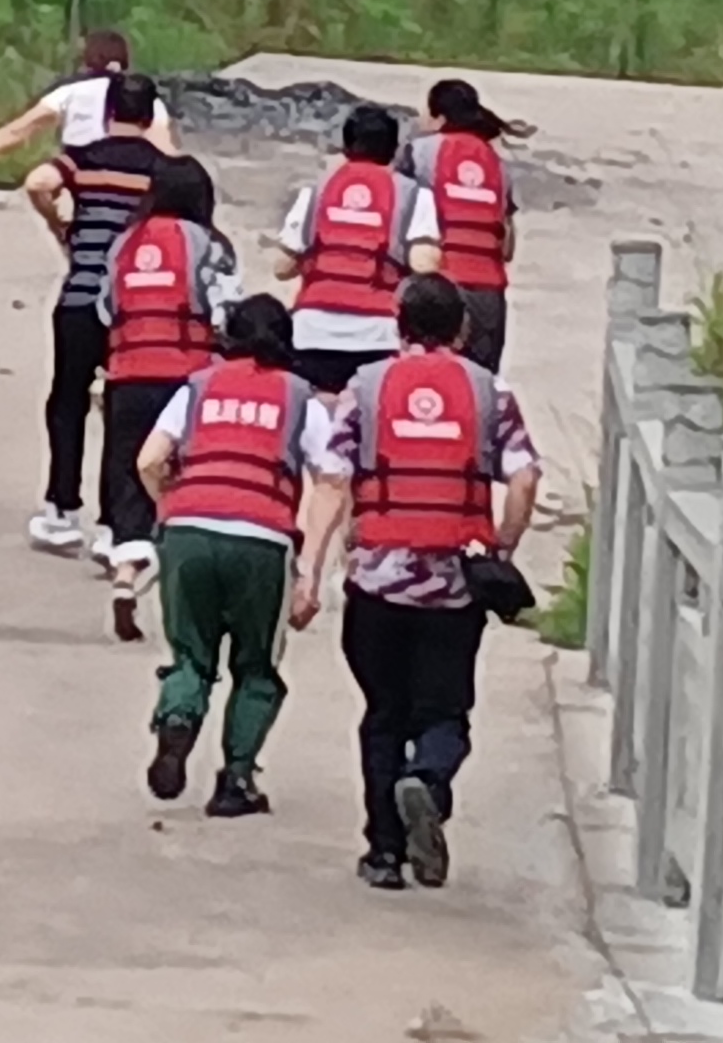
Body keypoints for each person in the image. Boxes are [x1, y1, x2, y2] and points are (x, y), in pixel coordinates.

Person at [305, 272, 540, 890]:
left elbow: (331, 480)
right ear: (462, 329)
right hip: (453, 585)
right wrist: (503, 545)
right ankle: (428, 780)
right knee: (444, 712)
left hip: (377, 583)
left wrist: (311, 571)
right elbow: (524, 479)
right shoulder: (491, 393)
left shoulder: (366, 389)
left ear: (399, 324)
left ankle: (384, 854)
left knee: (383, 714)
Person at [136, 293, 342, 818]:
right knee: (256, 666)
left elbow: (149, 460)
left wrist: (170, 509)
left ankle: (178, 720)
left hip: (188, 528)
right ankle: (236, 781)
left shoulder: (199, 387)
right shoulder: (301, 398)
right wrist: (310, 571)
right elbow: (333, 481)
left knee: (190, 654)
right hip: (262, 536)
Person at [19, 69, 171, 555]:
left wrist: (62, 226)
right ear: (150, 117)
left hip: (81, 296)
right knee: (122, 410)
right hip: (135, 306)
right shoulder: (163, 170)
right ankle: (114, 524)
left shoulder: (83, 157)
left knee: (67, 400)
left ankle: (61, 509)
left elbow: (38, 183)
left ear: (108, 113)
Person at [94, 154, 235, 641]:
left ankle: (125, 574)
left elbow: (106, 308)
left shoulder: (124, 244)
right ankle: (185, 586)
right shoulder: (208, 245)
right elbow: (224, 311)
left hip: (128, 374)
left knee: (130, 477)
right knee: (185, 477)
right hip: (188, 377)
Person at [272, 104, 431, 395]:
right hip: (378, 334)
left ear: (346, 146)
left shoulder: (317, 191)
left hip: (312, 329)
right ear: (394, 149)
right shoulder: (412, 195)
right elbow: (425, 265)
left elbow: (281, 268)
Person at [0, 27, 181, 170]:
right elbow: (163, 145)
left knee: (43, 183)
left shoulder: (72, 90)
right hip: (132, 170)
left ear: (89, 57)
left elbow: (20, 129)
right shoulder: (143, 95)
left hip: (79, 167)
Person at [417, 78, 519, 372]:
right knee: (479, 386)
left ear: (439, 118)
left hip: (438, 289)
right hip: (489, 295)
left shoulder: (419, 153)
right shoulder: (498, 164)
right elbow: (507, 247)